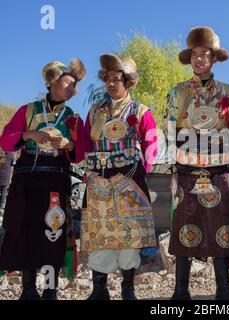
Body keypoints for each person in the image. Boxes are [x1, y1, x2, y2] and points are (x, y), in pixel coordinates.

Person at [166, 26, 229, 300]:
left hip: (220, 170)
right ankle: (180, 291)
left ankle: (223, 289)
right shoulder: (177, 93)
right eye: (194, 54)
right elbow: (170, 131)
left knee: (222, 224)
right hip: (187, 171)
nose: (199, 59)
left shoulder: (227, 92)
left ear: (214, 58)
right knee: (185, 225)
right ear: (190, 58)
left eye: (205, 54)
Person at [0, 59, 86, 300]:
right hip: (27, 179)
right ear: (52, 81)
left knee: (54, 233)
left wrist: (68, 144)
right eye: (69, 82)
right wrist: (28, 134)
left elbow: (80, 154)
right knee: (26, 232)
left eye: (75, 85)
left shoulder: (73, 118)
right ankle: (28, 290)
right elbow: (5, 140)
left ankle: (50, 290)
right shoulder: (27, 110)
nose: (73, 89)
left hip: (55, 181)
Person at [81, 53, 158, 300]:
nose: (111, 84)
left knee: (129, 235)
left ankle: (128, 288)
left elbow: (151, 142)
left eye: (116, 79)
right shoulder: (95, 111)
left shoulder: (141, 110)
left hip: (130, 177)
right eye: (107, 79)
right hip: (99, 179)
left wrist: (143, 168)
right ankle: (99, 289)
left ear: (127, 82)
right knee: (99, 232)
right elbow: (84, 143)